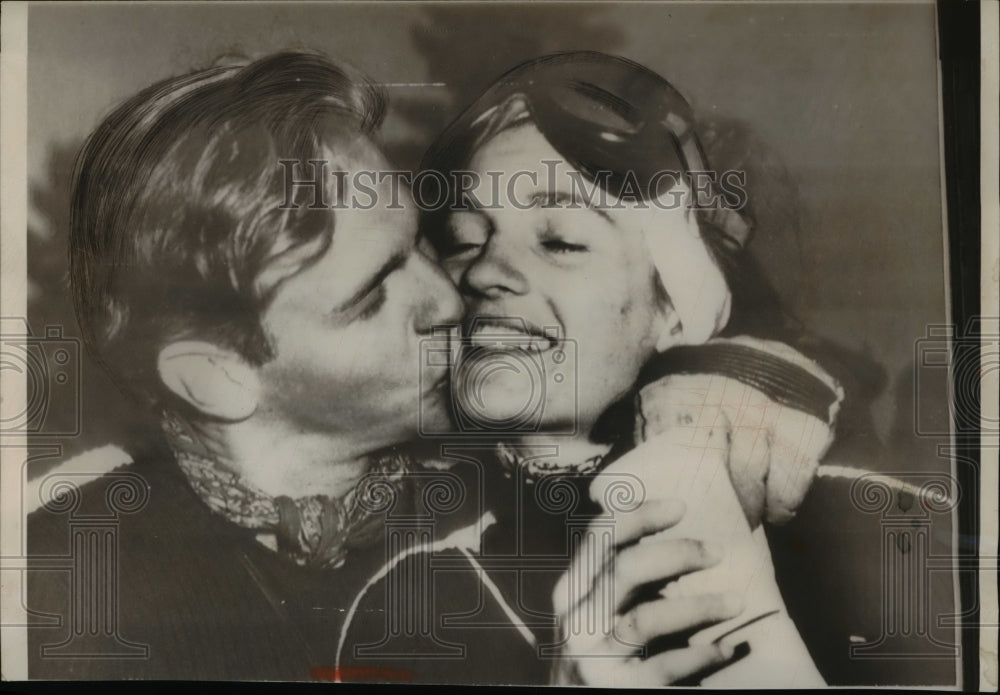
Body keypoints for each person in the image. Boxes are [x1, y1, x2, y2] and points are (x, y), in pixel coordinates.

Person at [395, 51, 958, 686]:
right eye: (464, 239)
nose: (484, 271)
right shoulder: (398, 541)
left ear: (676, 309)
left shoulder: (823, 517)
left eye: (560, 242)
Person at [26, 51, 476, 680]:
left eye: (419, 242)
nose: (449, 300)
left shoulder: (508, 522)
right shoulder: (65, 587)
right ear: (217, 377)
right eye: (372, 295)